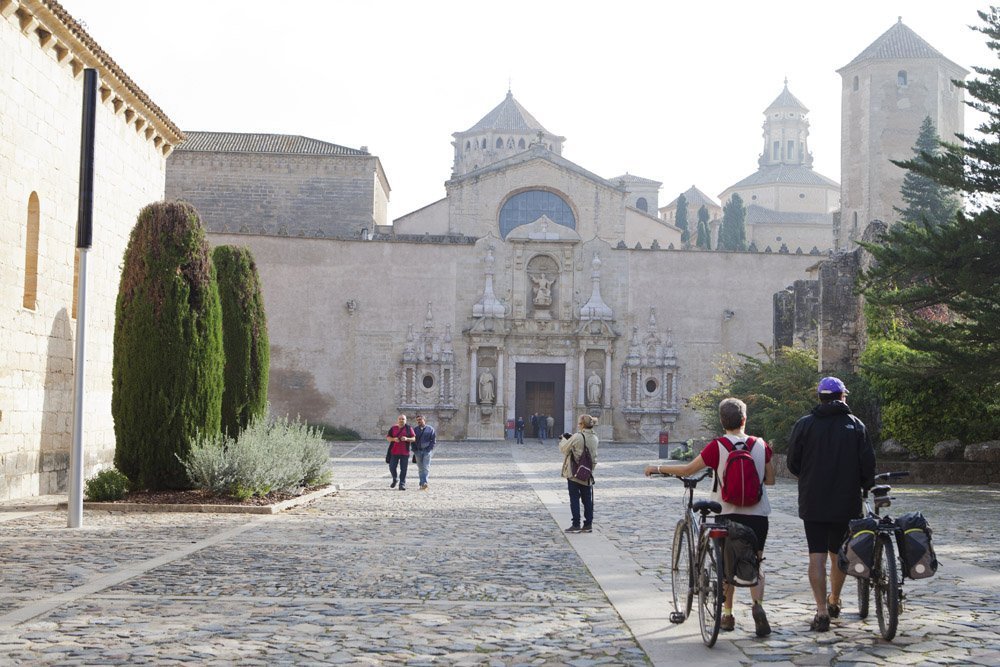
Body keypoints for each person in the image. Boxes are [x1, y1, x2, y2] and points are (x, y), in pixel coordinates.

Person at [644, 397, 775, 637]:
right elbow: (770, 480)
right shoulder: (760, 445)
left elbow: (687, 470)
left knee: (725, 564)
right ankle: (758, 607)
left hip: (726, 513)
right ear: (745, 419)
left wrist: (657, 468)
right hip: (758, 515)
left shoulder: (718, 446)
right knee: (756, 561)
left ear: (722, 421)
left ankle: (727, 613)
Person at [787, 377, 875, 632]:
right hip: (845, 501)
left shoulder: (805, 425)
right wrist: (863, 485)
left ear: (820, 398)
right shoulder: (855, 425)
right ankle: (835, 600)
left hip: (813, 499)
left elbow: (793, 463)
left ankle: (821, 611)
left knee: (816, 555)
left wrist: (809, 476)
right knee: (839, 553)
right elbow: (868, 464)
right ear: (842, 397)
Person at [560, 414, 599, 533]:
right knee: (587, 499)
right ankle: (588, 524)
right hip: (587, 473)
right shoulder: (595, 438)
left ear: (582, 424)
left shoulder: (577, 436)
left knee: (574, 498)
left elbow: (564, 449)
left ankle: (576, 524)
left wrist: (563, 439)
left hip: (574, 472)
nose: (578, 425)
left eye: (579, 423)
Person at [386, 414, 415, 491]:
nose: (401, 420)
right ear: (398, 420)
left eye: (403, 419)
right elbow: (388, 438)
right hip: (394, 452)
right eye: (400, 419)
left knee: (404, 469)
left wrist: (406, 438)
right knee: (392, 467)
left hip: (404, 452)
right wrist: (394, 439)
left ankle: (402, 484)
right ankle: (395, 479)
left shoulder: (409, 428)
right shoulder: (393, 428)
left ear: (406, 420)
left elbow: (414, 438)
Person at [412, 414, 436, 490]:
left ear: (424, 420)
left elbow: (433, 440)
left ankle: (424, 483)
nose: (419, 421)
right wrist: (414, 449)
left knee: (426, 467)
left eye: (420, 419)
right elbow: (413, 440)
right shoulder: (415, 429)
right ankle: (422, 483)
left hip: (427, 451)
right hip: (418, 451)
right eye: (417, 420)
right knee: (420, 468)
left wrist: (429, 449)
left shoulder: (430, 429)